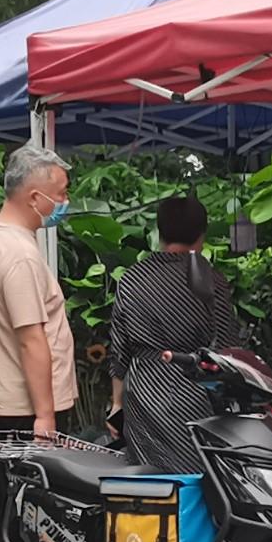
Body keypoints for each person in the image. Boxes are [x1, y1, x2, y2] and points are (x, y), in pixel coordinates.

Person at [108, 192, 239, 470]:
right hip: (197, 396)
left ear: (160, 232)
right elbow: (227, 349)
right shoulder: (212, 280)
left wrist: (117, 406)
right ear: (202, 235)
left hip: (145, 395)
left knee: (150, 483)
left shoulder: (132, 278)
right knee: (200, 478)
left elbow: (119, 352)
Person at [0, 141, 77, 441]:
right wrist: (46, 416)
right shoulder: (19, 254)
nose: (66, 201)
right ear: (35, 198)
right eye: (61, 193)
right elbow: (30, 340)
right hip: (26, 414)